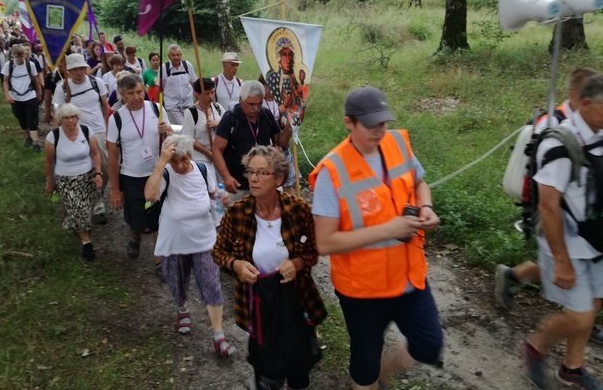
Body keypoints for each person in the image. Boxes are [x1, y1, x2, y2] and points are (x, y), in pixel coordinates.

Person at [310, 87, 443, 390]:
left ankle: (386, 373)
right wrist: (390, 230)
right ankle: (372, 377)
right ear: (349, 123)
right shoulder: (333, 171)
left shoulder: (397, 142)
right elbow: (325, 243)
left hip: (410, 279)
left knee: (428, 344)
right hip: (363, 290)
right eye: (371, 125)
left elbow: (420, 183)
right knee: (364, 362)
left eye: (383, 122)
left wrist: (426, 207)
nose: (380, 130)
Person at [495, 68, 603, 344]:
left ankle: (514, 276)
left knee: (572, 281)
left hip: (588, 228)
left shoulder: (593, 127)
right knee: (560, 270)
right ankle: (564, 328)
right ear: (577, 97)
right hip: (558, 221)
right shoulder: (553, 128)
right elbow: (547, 197)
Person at [213, 145, 327, 389]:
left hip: (295, 300)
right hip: (258, 303)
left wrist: (297, 263)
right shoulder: (237, 213)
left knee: (298, 365)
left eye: (262, 173)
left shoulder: (299, 210)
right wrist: (237, 265)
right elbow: (219, 252)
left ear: (279, 178)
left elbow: (313, 252)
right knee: (267, 368)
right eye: (250, 172)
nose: (253, 178)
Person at [522, 75, 603, 390]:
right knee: (581, 317)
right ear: (586, 104)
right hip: (567, 243)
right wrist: (562, 261)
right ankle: (535, 346)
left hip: (596, 239)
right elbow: (549, 207)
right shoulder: (559, 142)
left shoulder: (599, 133)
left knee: (594, 304)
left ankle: (572, 368)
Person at [143, 135, 237, 356]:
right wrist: (161, 163)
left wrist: (223, 198)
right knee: (176, 277)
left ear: (191, 156)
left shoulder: (203, 170)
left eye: (183, 159)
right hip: (174, 239)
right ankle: (182, 309)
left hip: (204, 238)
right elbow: (149, 195)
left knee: (211, 282)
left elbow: (215, 193)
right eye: (174, 161)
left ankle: (219, 336)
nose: (179, 165)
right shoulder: (165, 173)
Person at [107, 74, 172, 267]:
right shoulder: (116, 119)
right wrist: (115, 189)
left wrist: (166, 132)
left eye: (139, 92)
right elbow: (112, 155)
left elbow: (171, 139)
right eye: (131, 93)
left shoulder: (156, 109)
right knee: (137, 220)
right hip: (131, 176)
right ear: (121, 95)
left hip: (157, 173)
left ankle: (160, 261)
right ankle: (135, 235)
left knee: (159, 218)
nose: (136, 97)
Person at [53, 53, 111, 225]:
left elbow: (106, 107)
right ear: (68, 71)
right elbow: (58, 115)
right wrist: (57, 139)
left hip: (99, 131)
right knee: (84, 170)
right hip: (75, 133)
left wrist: (109, 131)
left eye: (81, 68)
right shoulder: (62, 88)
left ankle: (95, 196)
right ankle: (98, 207)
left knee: (105, 169)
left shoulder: (96, 83)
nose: (79, 72)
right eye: (74, 69)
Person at [212, 80, 292, 203]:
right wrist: (226, 177)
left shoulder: (265, 115)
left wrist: (288, 130)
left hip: (265, 182)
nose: (255, 108)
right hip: (238, 185)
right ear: (241, 100)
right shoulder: (230, 119)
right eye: (251, 104)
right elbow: (217, 149)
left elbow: (280, 142)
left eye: (259, 104)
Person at [44, 104, 104, 261]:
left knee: (86, 208)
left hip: (88, 176)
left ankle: (73, 222)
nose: (70, 121)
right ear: (60, 119)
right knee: (80, 210)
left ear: (78, 118)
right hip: (66, 179)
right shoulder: (53, 137)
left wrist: (98, 173)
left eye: (73, 117)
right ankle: (87, 244)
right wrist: (50, 182)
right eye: (66, 118)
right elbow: (49, 162)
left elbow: (95, 153)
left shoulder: (86, 131)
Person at [181, 78, 226, 226]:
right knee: (211, 190)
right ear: (197, 94)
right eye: (207, 93)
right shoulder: (191, 113)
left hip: (220, 155)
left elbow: (228, 124)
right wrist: (208, 153)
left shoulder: (218, 108)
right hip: (202, 158)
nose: (211, 97)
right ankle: (214, 223)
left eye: (212, 92)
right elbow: (188, 139)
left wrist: (217, 123)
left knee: (223, 188)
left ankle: (223, 218)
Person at [1, 43, 43, 152]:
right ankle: (28, 136)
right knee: (22, 120)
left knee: (32, 119)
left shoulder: (30, 65)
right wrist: (7, 95)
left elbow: (35, 80)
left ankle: (36, 143)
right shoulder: (8, 66)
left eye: (21, 56)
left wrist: (39, 93)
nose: (20, 59)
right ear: (13, 55)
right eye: (17, 56)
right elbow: (5, 82)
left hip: (30, 96)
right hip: (15, 98)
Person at [159, 43, 198, 125]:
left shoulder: (187, 65)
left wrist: (199, 102)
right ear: (169, 56)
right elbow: (159, 88)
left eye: (178, 55)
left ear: (181, 55)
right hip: (173, 106)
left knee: (191, 128)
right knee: (182, 128)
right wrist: (159, 107)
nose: (176, 57)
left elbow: (195, 84)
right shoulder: (164, 68)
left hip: (189, 105)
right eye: (173, 55)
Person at [43, 59, 67, 125]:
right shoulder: (51, 77)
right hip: (58, 106)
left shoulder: (73, 75)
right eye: (59, 62)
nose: (61, 65)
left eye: (62, 62)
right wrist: (47, 113)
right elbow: (47, 97)